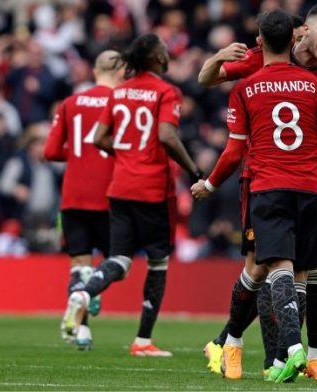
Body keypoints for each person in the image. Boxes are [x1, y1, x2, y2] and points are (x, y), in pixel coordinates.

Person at [198, 4, 317, 382]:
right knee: (263, 267)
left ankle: (290, 356)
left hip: (308, 182)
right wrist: (218, 56)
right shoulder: (261, 62)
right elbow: (207, 79)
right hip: (262, 180)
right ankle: (241, 347)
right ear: (302, 32)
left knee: (304, 270)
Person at [61, 33, 203, 357]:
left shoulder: (120, 91)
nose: (168, 55)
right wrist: (195, 170)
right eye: (164, 50)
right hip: (152, 190)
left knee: (120, 259)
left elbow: (99, 137)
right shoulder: (167, 91)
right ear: (155, 58)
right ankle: (142, 341)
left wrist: (126, 154)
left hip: (119, 187)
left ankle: (83, 293)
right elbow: (167, 136)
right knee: (158, 262)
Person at [44, 50, 124, 350]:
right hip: (110, 195)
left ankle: (82, 332)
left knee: (78, 265)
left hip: (73, 196)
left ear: (94, 71)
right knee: (118, 258)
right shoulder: (121, 103)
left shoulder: (69, 103)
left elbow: (51, 152)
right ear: (121, 71)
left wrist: (78, 154)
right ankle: (94, 287)